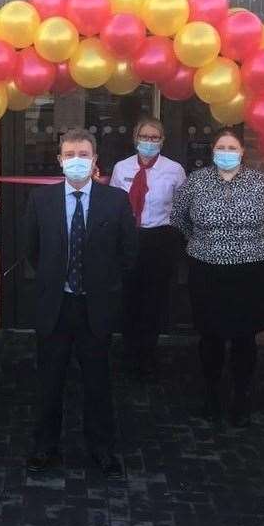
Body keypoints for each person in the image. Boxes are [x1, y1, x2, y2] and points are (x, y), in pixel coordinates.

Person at [22, 128, 138, 478]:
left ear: (94, 160)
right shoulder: (41, 200)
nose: (76, 160)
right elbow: (32, 250)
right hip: (56, 305)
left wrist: (104, 285)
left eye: (83, 154)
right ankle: (45, 446)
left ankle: (101, 448)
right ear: (59, 160)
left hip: (95, 306)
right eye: (69, 154)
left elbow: (127, 252)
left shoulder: (115, 200)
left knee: (98, 384)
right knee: (49, 383)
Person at [170, 128, 264, 427]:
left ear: (242, 151)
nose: (226, 151)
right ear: (212, 151)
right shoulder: (196, 182)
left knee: (244, 336)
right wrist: (204, 243)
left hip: (251, 271)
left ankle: (241, 396)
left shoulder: (262, 183)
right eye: (220, 146)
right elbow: (179, 219)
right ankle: (210, 393)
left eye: (231, 146)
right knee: (210, 335)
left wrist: (248, 243)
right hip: (207, 269)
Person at [110, 116, 186, 377]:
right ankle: (129, 351)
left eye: (154, 138)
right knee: (129, 296)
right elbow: (115, 205)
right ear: (135, 139)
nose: (149, 142)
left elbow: (181, 207)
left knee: (154, 298)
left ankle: (148, 354)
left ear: (162, 141)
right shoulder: (122, 168)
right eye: (144, 137)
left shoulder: (174, 169)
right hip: (130, 237)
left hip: (159, 239)